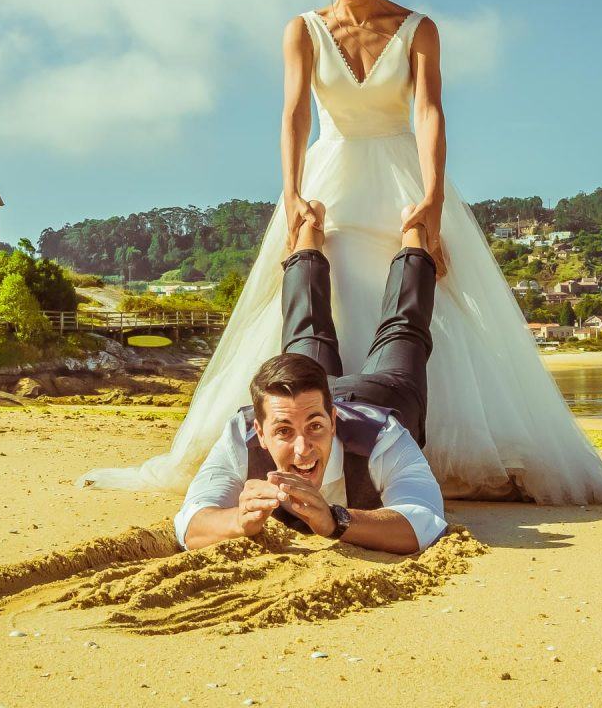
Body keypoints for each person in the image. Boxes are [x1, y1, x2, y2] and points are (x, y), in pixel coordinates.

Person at [76, 0, 602, 506]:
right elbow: (295, 113)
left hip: (400, 171)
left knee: (424, 286)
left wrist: (433, 197)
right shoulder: (304, 29)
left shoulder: (418, 28)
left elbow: (428, 112)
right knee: (312, 281)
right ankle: (302, 437)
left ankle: (415, 448)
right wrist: (290, 191)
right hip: (330, 171)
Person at [176, 201, 446, 554]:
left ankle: (414, 238)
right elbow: (190, 522)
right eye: (284, 431)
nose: (302, 450)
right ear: (259, 430)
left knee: (402, 331)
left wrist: (337, 521)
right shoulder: (239, 437)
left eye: (315, 427)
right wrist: (237, 521)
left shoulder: (383, 437)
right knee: (306, 335)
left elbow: (424, 521)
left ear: (333, 420)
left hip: (382, 395)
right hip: (312, 396)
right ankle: (308, 234)